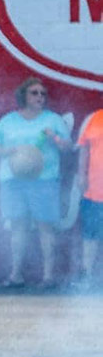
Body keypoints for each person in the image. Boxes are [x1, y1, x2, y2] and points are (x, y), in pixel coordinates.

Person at [0, 77, 75, 288]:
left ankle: (48, 277)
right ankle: (16, 275)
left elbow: (67, 147)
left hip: (43, 180)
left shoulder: (53, 119)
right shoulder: (9, 120)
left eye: (43, 94)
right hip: (13, 180)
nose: (39, 97)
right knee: (18, 226)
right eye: (34, 93)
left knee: (46, 226)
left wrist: (54, 137)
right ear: (24, 96)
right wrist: (9, 151)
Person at [74, 105, 103, 288]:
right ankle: (87, 277)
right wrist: (81, 174)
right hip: (94, 189)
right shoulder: (95, 118)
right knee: (90, 234)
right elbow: (83, 147)